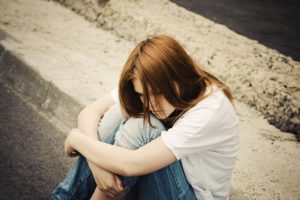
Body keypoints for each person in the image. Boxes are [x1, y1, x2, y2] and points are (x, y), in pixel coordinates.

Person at [52, 34, 239, 200]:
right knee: (120, 111)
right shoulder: (151, 84)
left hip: (191, 195)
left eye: (157, 93)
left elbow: (130, 165)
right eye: (143, 95)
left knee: (144, 127)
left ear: (178, 77)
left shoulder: (211, 109)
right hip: (158, 185)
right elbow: (90, 112)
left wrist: (76, 139)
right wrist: (97, 168)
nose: (150, 103)